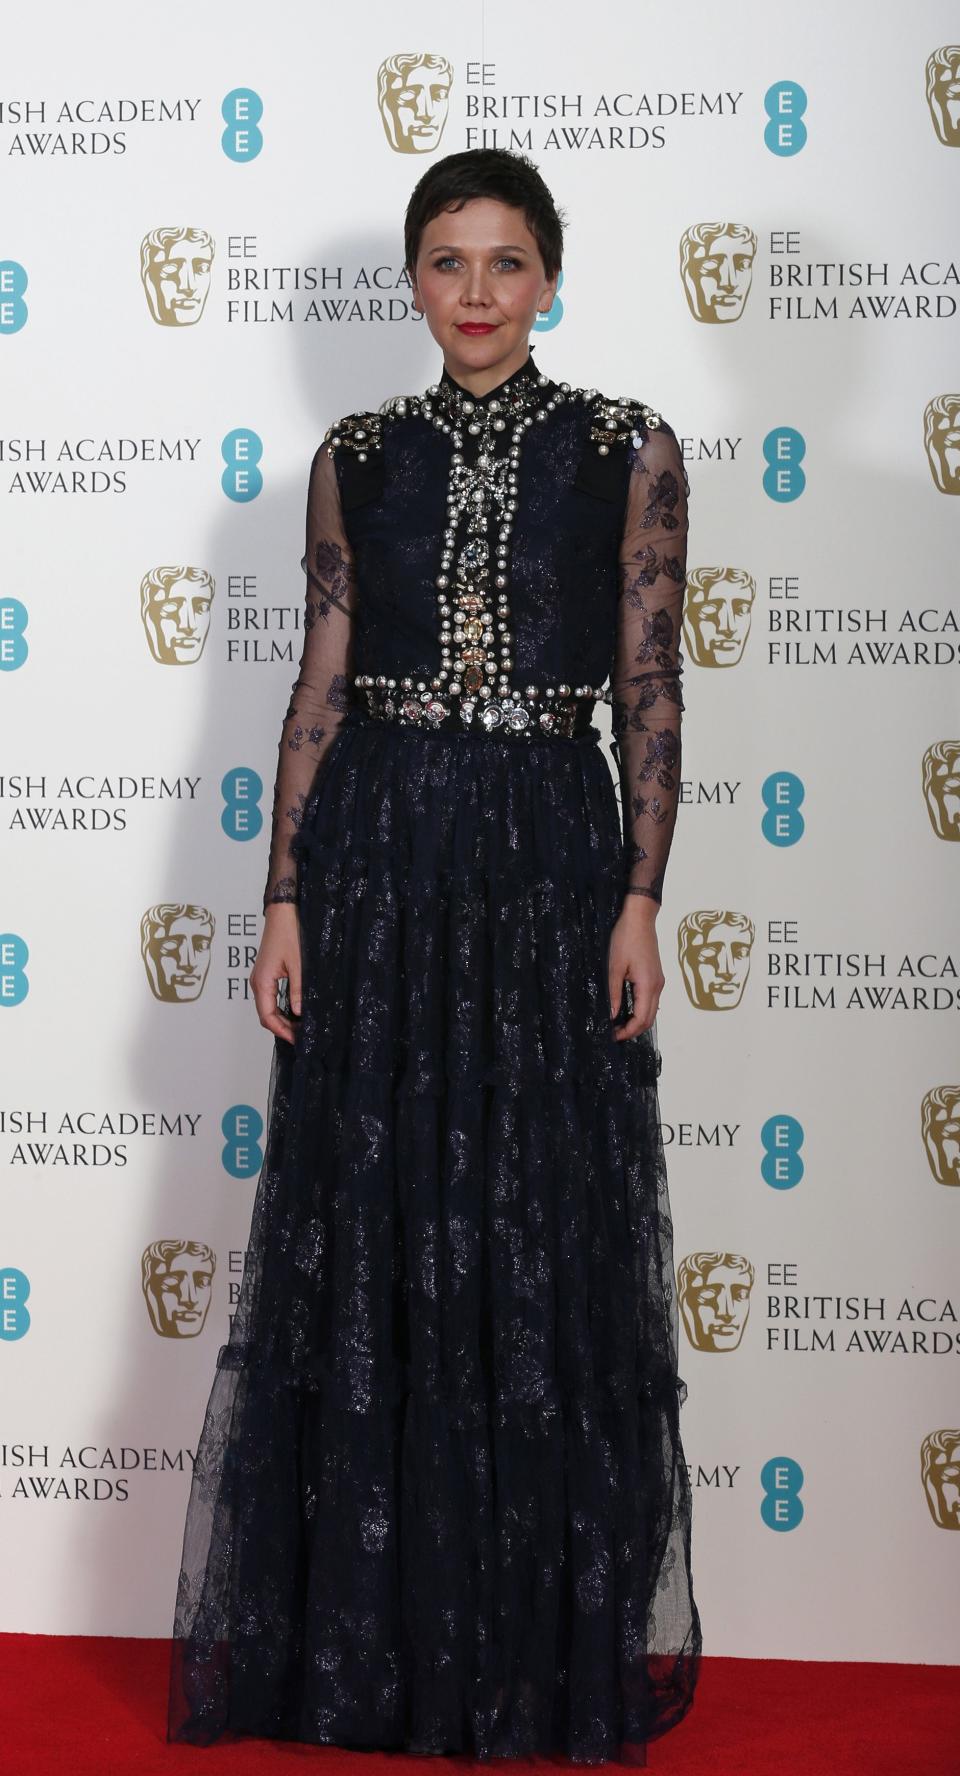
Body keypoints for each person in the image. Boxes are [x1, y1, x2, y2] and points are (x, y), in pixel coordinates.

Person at [167, 146, 702, 1763]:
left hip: (546, 856)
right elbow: (318, 685)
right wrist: (281, 895)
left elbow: (653, 692)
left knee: (534, 1225)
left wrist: (637, 898)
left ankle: (529, 1663)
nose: (476, 294)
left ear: (550, 278)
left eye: (506, 263)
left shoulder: (630, 450)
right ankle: (366, 1660)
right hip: (382, 860)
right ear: (412, 280)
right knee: (380, 1232)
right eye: (448, 263)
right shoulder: (362, 458)